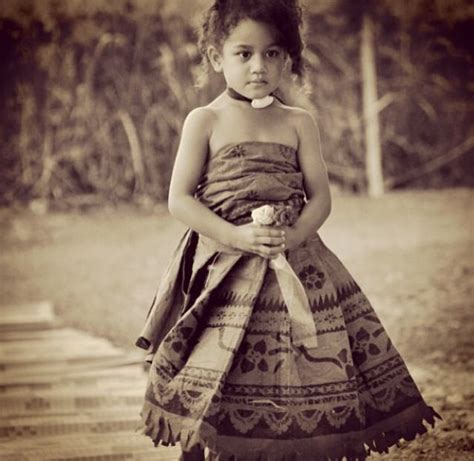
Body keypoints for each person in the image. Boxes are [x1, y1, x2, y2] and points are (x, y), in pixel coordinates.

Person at [136, 1, 441, 460]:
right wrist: (238, 237)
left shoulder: (298, 122)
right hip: (226, 267)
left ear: (288, 58)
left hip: (296, 263)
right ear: (217, 57)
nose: (259, 66)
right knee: (223, 366)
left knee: (297, 363)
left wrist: (293, 236)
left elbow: (320, 197)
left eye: (273, 53)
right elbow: (179, 200)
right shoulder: (206, 121)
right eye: (244, 54)